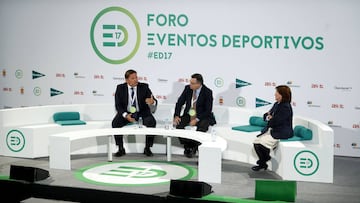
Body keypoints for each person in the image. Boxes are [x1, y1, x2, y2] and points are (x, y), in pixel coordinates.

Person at [112, 69, 157, 157]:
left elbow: (153, 99)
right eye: (133, 78)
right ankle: (120, 148)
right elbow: (118, 105)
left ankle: (147, 148)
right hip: (127, 113)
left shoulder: (144, 86)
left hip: (142, 113)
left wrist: (152, 102)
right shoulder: (120, 88)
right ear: (126, 80)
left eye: (136, 77)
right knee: (115, 123)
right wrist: (125, 115)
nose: (136, 80)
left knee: (152, 122)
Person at [252, 85, 294, 171]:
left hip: (281, 132)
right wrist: (269, 117)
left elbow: (276, 121)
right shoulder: (276, 104)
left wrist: (270, 118)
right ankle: (264, 161)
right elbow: (266, 116)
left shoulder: (285, 107)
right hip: (272, 129)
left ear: (282, 95)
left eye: (277, 93)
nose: (275, 94)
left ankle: (263, 162)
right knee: (256, 142)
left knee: (262, 143)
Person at [173, 73, 216, 158]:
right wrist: (176, 115)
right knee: (179, 126)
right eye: (190, 82)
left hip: (202, 116)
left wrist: (196, 119)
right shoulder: (187, 89)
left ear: (199, 84)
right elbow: (179, 102)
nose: (190, 85)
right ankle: (188, 146)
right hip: (189, 114)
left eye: (192, 83)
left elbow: (208, 110)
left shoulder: (208, 92)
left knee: (201, 128)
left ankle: (194, 148)